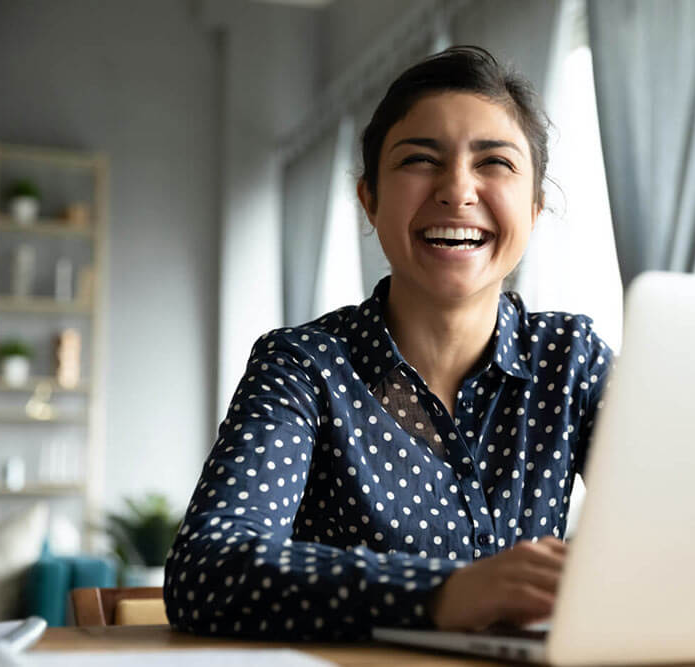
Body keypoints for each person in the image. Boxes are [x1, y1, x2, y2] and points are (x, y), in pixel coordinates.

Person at [164, 45, 613, 640]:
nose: (457, 190)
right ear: (368, 200)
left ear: (534, 209)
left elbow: (682, 527)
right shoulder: (303, 366)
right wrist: (439, 593)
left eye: (495, 163)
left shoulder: (572, 358)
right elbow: (207, 570)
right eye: (420, 160)